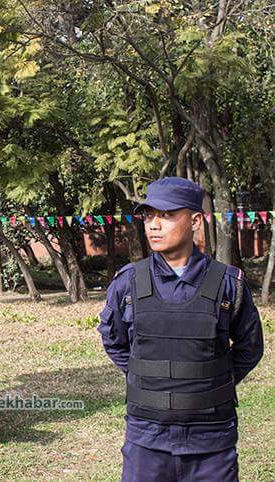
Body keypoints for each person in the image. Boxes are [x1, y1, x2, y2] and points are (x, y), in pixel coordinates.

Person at [98, 177, 264, 482]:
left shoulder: (229, 283)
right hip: (146, 441)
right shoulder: (128, 283)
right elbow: (115, 342)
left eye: (167, 215)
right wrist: (149, 381)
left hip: (211, 441)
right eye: (149, 215)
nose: (154, 225)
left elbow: (249, 348)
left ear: (196, 220)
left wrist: (208, 385)